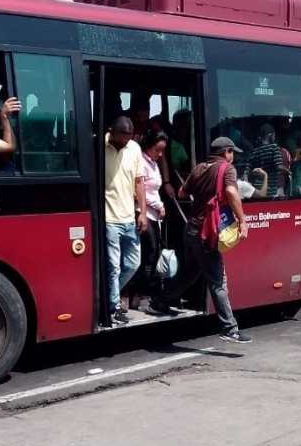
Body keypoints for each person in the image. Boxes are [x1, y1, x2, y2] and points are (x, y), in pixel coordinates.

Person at [148, 136, 251, 343]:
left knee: (189, 274)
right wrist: (242, 220)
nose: (233, 156)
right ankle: (229, 328)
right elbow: (231, 191)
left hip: (191, 231)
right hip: (207, 233)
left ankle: (160, 301)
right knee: (218, 281)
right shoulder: (227, 169)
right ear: (225, 152)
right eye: (232, 152)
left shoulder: (199, 169)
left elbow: (181, 192)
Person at [105, 116, 148, 325]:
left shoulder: (134, 148)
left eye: (128, 139)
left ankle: (108, 295)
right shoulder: (100, 145)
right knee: (113, 266)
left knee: (133, 263)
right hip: (109, 218)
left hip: (129, 217)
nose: (125, 143)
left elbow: (139, 182)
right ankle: (113, 307)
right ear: (111, 131)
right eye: (122, 138)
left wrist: (142, 212)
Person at [126, 129, 168, 304]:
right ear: (148, 146)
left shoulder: (154, 163)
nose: (160, 154)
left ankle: (144, 292)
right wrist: (159, 205)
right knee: (148, 254)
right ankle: (138, 293)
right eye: (157, 150)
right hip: (143, 212)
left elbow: (154, 189)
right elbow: (139, 190)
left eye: (162, 150)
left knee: (154, 252)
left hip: (155, 215)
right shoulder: (142, 163)